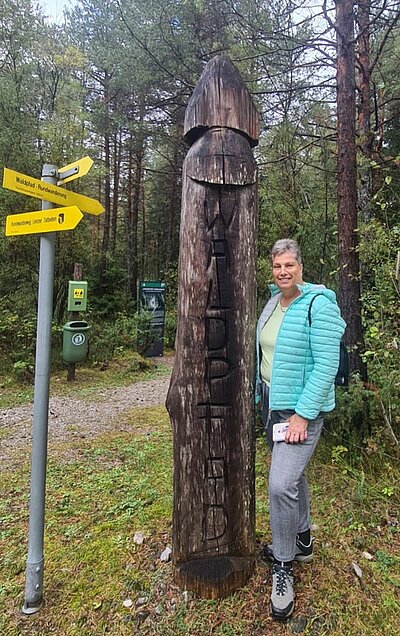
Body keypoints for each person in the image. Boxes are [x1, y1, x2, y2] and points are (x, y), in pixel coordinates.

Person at [256, 238, 346, 620]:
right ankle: (303, 539)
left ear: (301, 267)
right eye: (277, 266)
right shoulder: (273, 303)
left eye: (289, 265)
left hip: (301, 412)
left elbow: (327, 365)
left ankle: (284, 565)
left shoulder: (318, 304)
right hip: (275, 408)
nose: (283, 272)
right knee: (294, 479)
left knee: (280, 484)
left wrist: (303, 416)